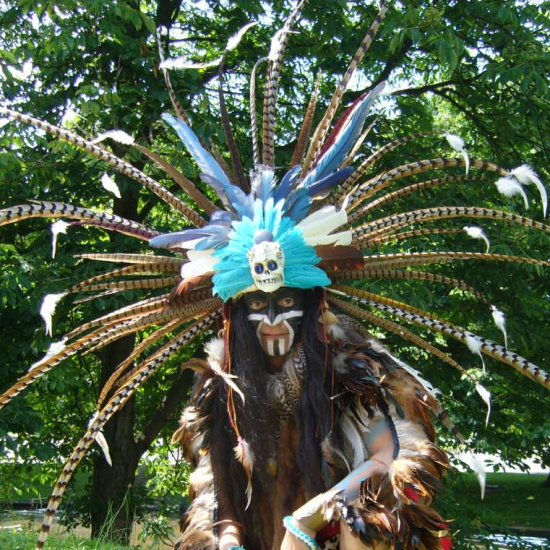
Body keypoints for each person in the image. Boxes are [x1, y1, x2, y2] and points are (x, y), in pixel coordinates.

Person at [174, 286, 452, 549]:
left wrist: (307, 518)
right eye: (258, 303)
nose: (272, 318)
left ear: (308, 304)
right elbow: (221, 501)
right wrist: (230, 542)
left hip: (337, 532)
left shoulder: (345, 370)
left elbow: (390, 456)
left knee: (361, 520)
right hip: (263, 539)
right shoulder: (223, 389)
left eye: (286, 302)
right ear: (237, 312)